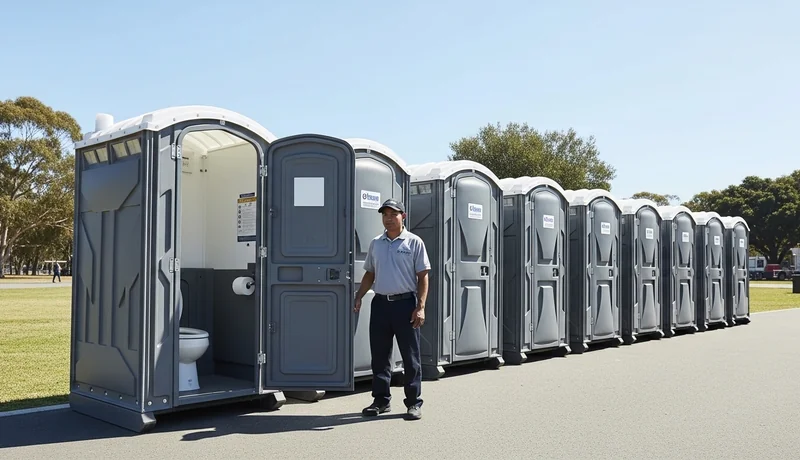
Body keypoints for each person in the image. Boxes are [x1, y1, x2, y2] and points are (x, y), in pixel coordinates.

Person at [354, 198, 430, 421]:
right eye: (385, 215)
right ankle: (381, 400)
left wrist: (421, 307)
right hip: (380, 305)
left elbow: (423, 276)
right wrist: (359, 296)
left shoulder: (414, 242)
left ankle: (413, 402)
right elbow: (370, 273)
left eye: (393, 214)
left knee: (410, 357)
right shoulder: (376, 243)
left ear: (402, 216)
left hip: (406, 305)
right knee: (379, 356)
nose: (388, 219)